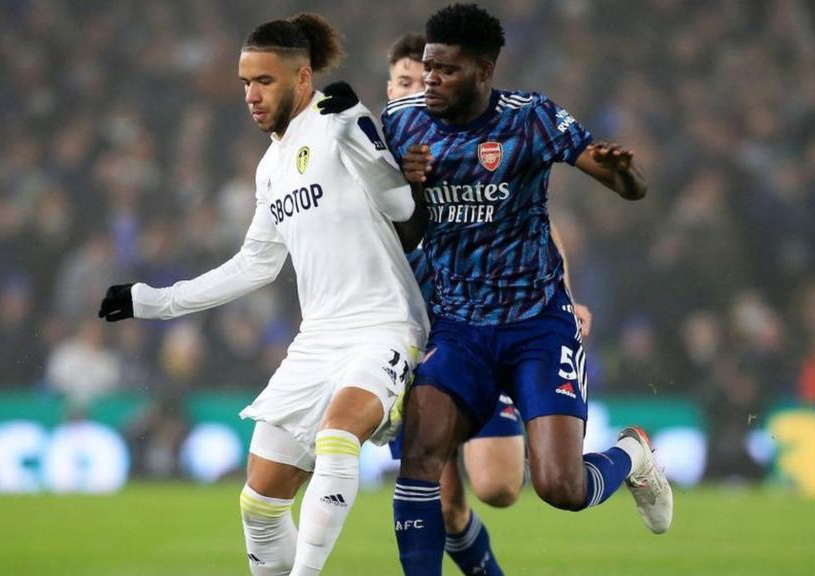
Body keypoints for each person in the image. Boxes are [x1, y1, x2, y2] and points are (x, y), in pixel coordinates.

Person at [97, 13, 429, 576]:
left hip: (383, 325)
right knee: (259, 503)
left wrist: (358, 129)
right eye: (245, 83)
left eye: (264, 82)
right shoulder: (271, 166)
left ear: (302, 78)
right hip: (318, 337)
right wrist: (153, 301)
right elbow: (255, 265)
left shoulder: (338, 119)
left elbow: (405, 211)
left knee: (337, 435)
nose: (251, 95)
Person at [379, 5, 671, 574]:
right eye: (428, 68)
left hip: (536, 323)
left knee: (560, 486)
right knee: (420, 460)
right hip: (458, 326)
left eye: (447, 70)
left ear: (485, 71)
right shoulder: (404, 123)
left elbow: (627, 186)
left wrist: (625, 171)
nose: (432, 80)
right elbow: (409, 231)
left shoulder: (531, 118)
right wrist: (410, 188)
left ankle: (633, 452)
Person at [385, 31, 595, 575]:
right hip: (413, 338)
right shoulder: (385, 148)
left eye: (426, 78)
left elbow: (535, 227)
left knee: (500, 487)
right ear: (390, 89)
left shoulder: (475, 140)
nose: (419, 90)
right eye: (406, 82)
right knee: (442, 499)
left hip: (486, 322)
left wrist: (568, 297)